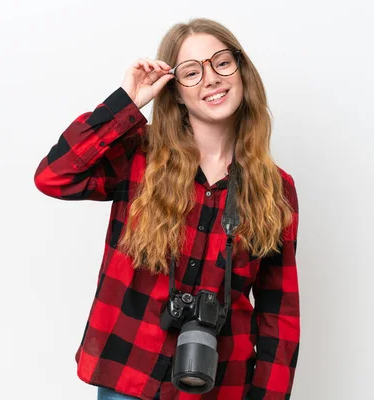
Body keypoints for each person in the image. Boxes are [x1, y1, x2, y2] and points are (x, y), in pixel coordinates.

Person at [34, 18, 300, 400]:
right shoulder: (139, 155)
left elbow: (279, 315)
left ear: (242, 72)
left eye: (222, 63)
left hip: (221, 385)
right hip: (129, 374)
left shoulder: (277, 189)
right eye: (192, 72)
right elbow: (53, 176)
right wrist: (125, 103)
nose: (210, 79)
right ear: (175, 91)